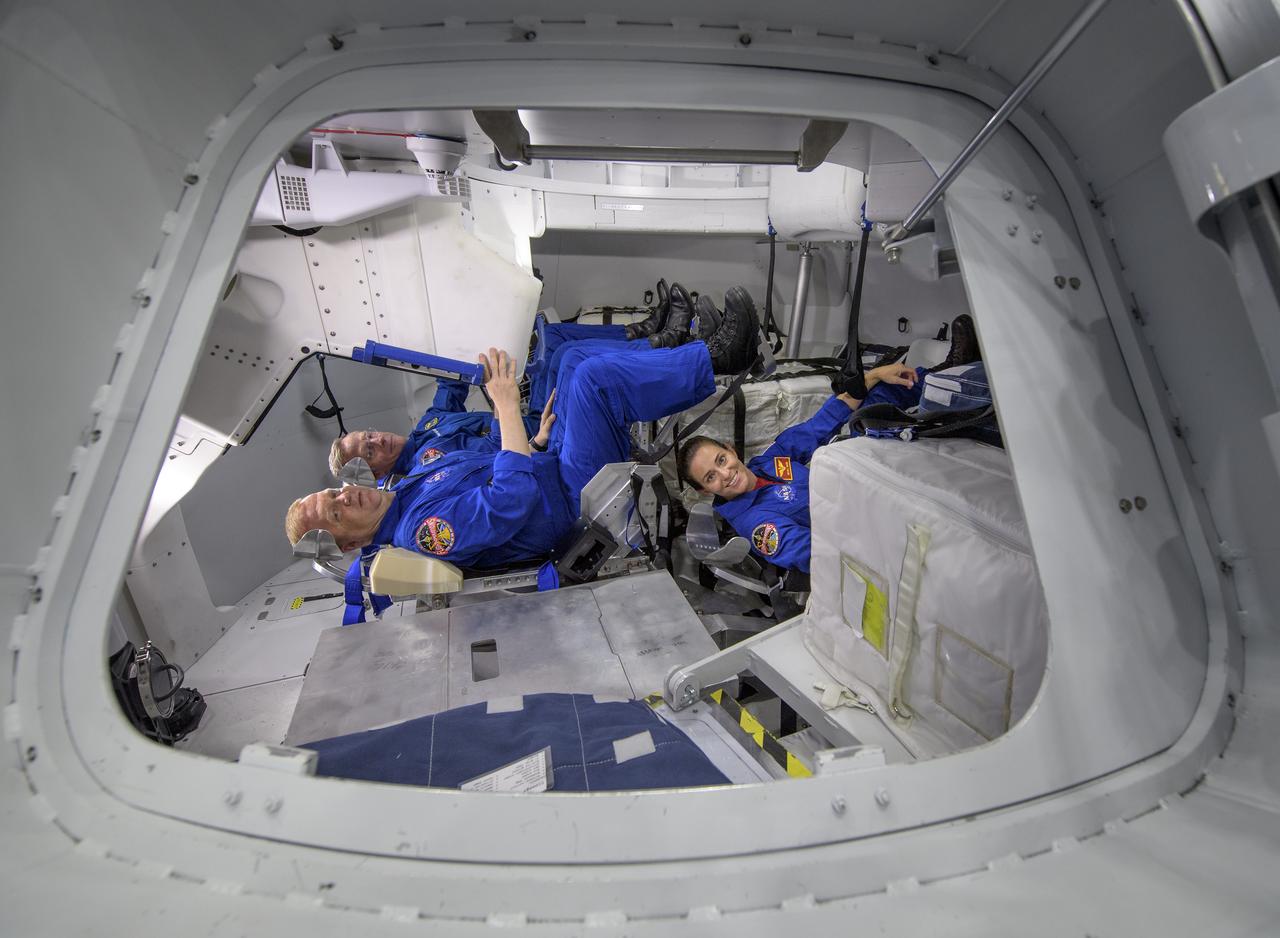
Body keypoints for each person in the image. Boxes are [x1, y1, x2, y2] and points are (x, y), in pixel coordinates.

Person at [286, 294, 761, 569]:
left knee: (573, 363)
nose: (346, 497)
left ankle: (695, 348)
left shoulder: (407, 489)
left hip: (549, 465)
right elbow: (509, 501)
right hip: (576, 501)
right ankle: (717, 359)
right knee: (592, 380)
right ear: (350, 543)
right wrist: (508, 407)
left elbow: (499, 468)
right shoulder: (421, 531)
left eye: (337, 493)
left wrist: (535, 440)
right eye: (337, 512)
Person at [676, 315, 982, 574]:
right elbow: (815, 555)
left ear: (730, 450)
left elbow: (822, 423)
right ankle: (958, 389)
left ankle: (947, 376)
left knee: (871, 403)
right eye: (711, 477)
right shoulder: (756, 524)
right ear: (706, 490)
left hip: (856, 487)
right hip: (867, 520)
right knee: (873, 429)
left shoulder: (771, 461)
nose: (725, 473)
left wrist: (875, 374)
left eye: (720, 461)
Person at [328, 378, 553, 481]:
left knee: (550, 337)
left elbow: (450, 385)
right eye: (370, 451)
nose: (378, 440)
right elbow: (498, 448)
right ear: (378, 474)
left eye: (369, 435)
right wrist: (500, 398)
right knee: (567, 355)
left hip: (535, 416)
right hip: (544, 439)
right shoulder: (426, 466)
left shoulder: (425, 426)